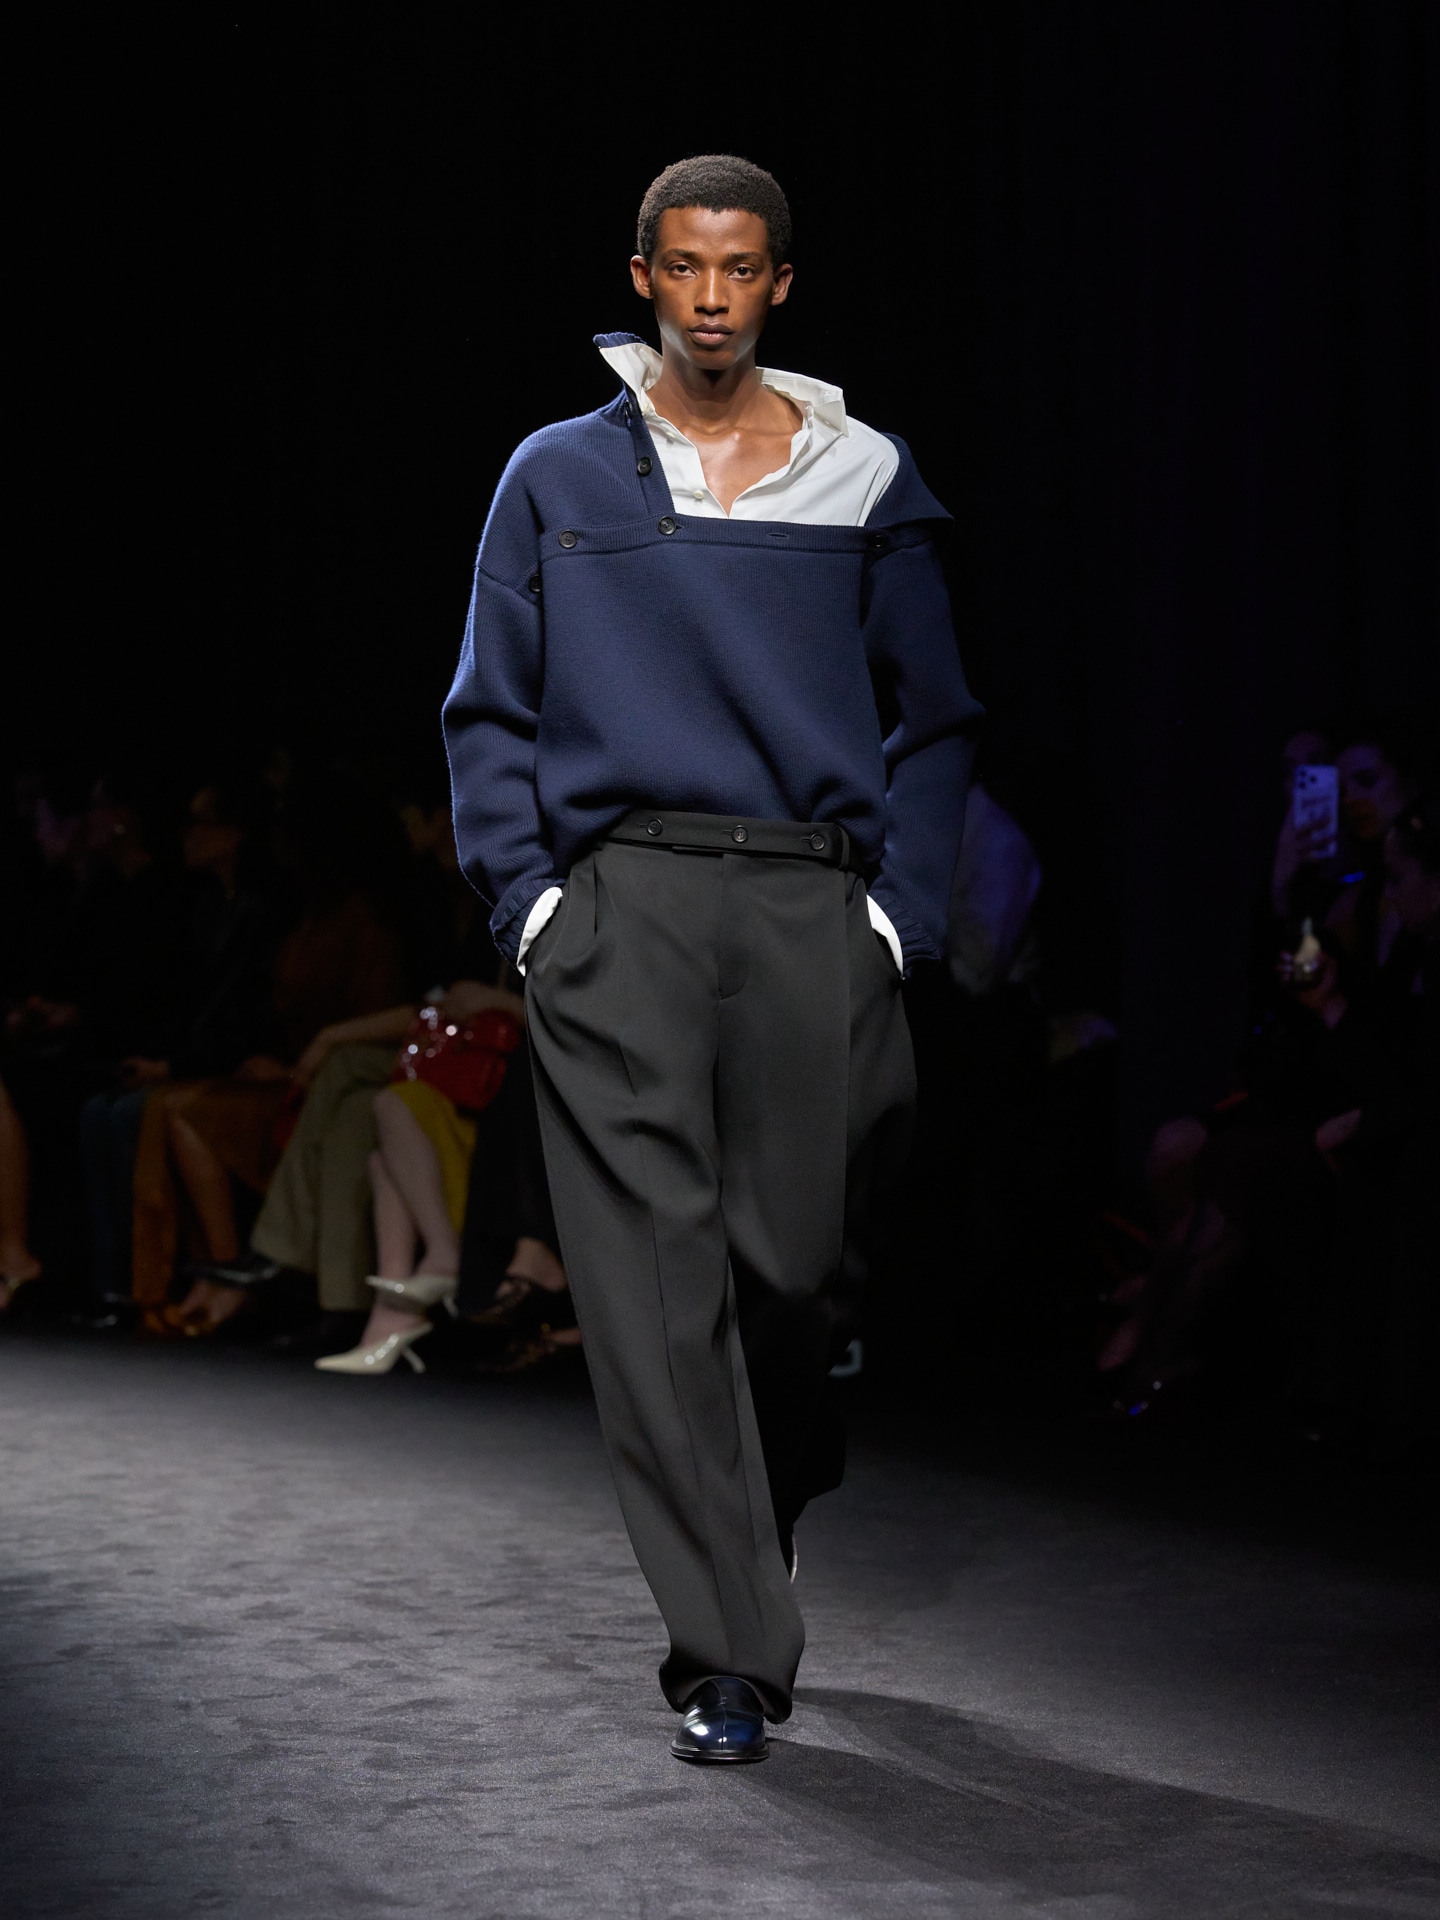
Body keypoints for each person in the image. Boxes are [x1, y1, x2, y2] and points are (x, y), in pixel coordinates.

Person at [444, 155, 979, 1762]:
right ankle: (728, 1658)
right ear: (643, 278)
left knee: (791, 1274)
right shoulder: (555, 474)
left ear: (780, 284)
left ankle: (773, 1495)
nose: (712, 299)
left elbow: (939, 715)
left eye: (741, 270)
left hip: (812, 905)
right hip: (626, 907)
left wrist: (898, 921)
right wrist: (537, 909)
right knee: (656, 1287)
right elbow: (488, 706)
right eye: (684, 267)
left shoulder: (864, 474)